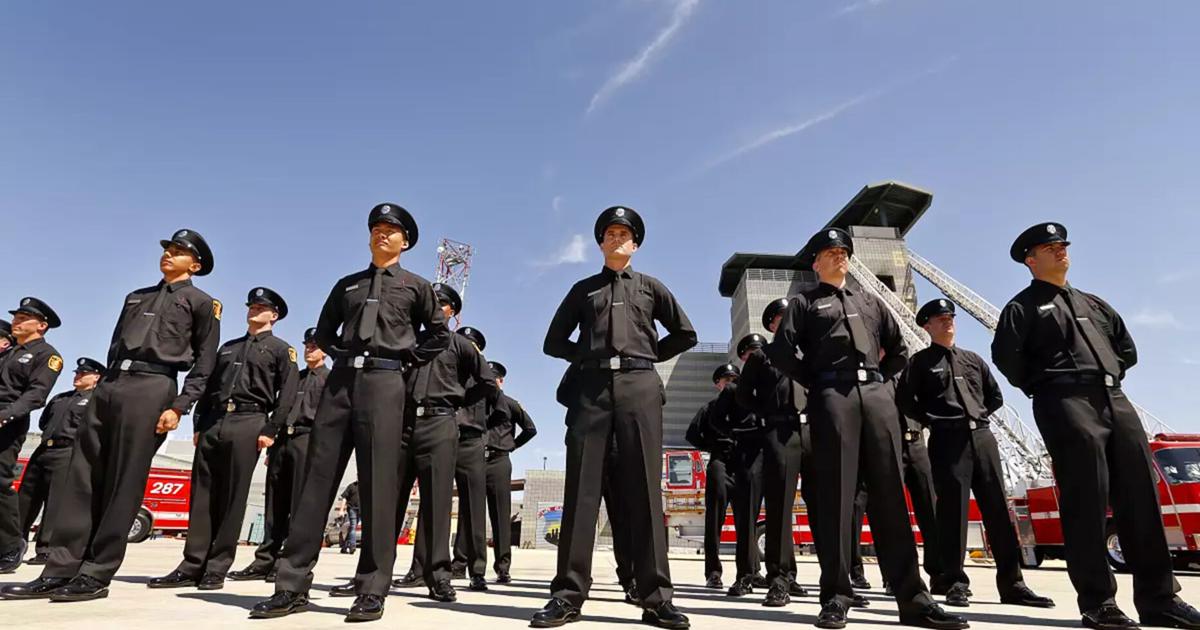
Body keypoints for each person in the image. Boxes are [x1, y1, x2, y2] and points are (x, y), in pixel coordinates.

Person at [992, 223, 1200, 630]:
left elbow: (1126, 349)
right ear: (1030, 260)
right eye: (1050, 247)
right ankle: (1098, 602)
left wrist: (1104, 377)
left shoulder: (1094, 303)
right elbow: (1007, 358)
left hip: (1115, 400)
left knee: (1142, 500)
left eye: (1063, 245)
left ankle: (1159, 600)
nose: (1060, 250)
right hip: (1064, 402)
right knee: (1085, 500)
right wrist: (1048, 384)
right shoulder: (1022, 308)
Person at [250, 203, 449, 623]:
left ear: (405, 241)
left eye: (391, 230)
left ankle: (372, 587)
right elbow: (324, 331)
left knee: (379, 483)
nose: (382, 234)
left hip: (385, 383)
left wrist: (405, 359)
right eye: (376, 228)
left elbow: (438, 335)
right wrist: (344, 356)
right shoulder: (347, 285)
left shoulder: (416, 286)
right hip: (341, 384)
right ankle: (291, 583)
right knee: (316, 481)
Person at [3, 231, 219, 602]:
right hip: (112, 382)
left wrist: (180, 406)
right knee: (81, 476)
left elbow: (205, 360)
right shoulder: (137, 296)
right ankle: (59, 569)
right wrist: (104, 384)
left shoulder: (201, 302)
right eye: (168, 249)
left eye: (179, 252)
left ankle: (96, 573)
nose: (169, 255)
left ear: (195, 266)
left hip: (154, 386)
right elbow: (116, 342)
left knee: (124, 480)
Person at [769, 227, 966, 629]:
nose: (838, 255)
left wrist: (878, 381)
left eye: (843, 250)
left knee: (891, 493)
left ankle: (913, 598)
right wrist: (818, 380)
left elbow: (897, 350)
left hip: (876, 397)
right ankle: (837, 595)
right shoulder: (805, 304)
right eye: (830, 251)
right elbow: (782, 352)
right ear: (815, 262)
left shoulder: (872, 301)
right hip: (832, 397)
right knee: (838, 496)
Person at [533, 206, 695, 629]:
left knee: (645, 492)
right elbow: (553, 342)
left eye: (625, 233)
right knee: (582, 494)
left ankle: (657, 597)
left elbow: (685, 332)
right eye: (610, 233)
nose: (618, 238)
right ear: (600, 242)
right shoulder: (584, 290)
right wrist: (588, 356)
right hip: (591, 392)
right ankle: (567, 595)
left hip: (640, 389)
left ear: (635, 243)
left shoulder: (651, 288)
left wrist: (645, 356)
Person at [898, 298, 1053, 609]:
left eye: (950, 317)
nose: (948, 322)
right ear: (927, 325)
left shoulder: (973, 360)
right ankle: (953, 581)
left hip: (982, 438)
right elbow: (905, 400)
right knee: (952, 512)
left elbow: (994, 397)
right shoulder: (920, 363)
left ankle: (1013, 583)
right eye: (940, 319)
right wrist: (933, 420)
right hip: (947, 441)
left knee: (997, 510)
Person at [150, 288, 299, 590]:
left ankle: (217, 566)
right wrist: (198, 423)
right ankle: (192, 564)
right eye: (252, 306)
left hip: (250, 420)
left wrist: (271, 429)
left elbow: (289, 394)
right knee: (201, 494)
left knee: (233, 495)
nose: (254, 311)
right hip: (215, 421)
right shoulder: (228, 349)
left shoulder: (282, 350)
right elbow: (207, 386)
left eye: (261, 307)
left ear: (275, 315)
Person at [385, 291, 496, 601]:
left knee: (436, 503)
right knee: (389, 501)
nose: (434, 308)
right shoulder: (407, 341)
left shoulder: (460, 344)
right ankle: (373, 573)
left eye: (441, 304)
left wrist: (457, 402)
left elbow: (487, 383)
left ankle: (438, 576)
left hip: (439, 423)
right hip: (403, 425)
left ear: (452, 313)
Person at [230, 327, 329, 582]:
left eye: (315, 346)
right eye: (307, 345)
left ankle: (287, 561)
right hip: (283, 439)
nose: (310, 350)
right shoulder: (294, 377)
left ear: (325, 351)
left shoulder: (330, 379)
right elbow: (281, 408)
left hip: (308, 440)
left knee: (299, 507)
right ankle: (265, 559)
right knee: (274, 504)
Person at [17, 358, 105, 565]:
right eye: (77, 373)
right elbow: (44, 421)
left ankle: (46, 549)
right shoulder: (60, 398)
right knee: (25, 499)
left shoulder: (97, 401)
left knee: (55, 502)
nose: (78, 376)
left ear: (96, 377)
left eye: (83, 374)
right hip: (44, 449)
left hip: (68, 452)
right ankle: (11, 544)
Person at [0, 298, 65, 575]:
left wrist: (5, 416)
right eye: (16, 317)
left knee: (0, 484)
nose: (16, 321)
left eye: (23, 318)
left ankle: (11, 545)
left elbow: (36, 395)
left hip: (7, 421)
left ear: (41, 325)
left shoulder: (47, 355)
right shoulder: (8, 353)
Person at [684, 364, 739, 590]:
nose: (730, 383)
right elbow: (692, 434)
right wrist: (713, 446)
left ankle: (750, 572)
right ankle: (713, 572)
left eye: (734, 379)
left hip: (744, 462)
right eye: (726, 380)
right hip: (720, 462)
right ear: (718, 384)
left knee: (747, 520)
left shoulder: (749, 406)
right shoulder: (710, 408)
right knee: (714, 518)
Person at [482, 361, 536, 583]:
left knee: (500, 516)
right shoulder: (475, 402)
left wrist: (512, 445)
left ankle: (502, 568)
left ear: (501, 380)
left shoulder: (510, 404)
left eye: (495, 377)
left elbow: (531, 429)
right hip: (474, 459)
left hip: (499, 461)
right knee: (469, 514)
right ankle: (460, 564)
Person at [340, 481, 361, 554]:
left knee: (352, 528)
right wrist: (341, 509)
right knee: (353, 527)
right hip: (352, 509)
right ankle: (352, 546)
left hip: (361, 510)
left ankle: (344, 547)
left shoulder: (367, 486)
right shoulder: (352, 486)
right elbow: (344, 498)